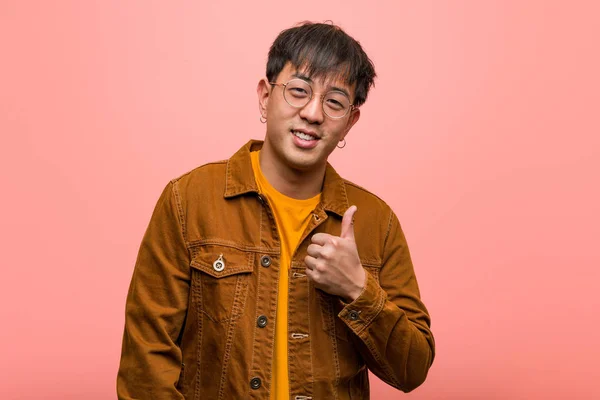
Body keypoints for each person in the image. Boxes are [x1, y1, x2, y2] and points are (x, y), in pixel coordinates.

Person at [117, 21, 435, 399]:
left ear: (350, 121)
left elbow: (412, 369)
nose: (313, 113)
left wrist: (357, 289)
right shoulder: (188, 201)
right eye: (298, 91)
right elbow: (145, 364)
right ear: (265, 97)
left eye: (334, 101)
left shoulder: (376, 222)